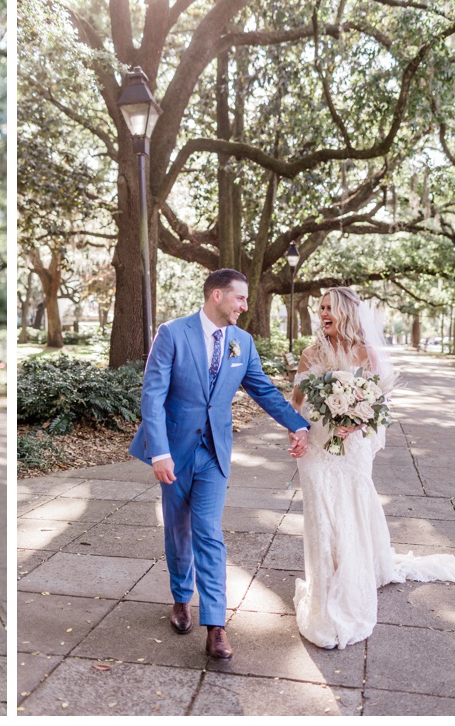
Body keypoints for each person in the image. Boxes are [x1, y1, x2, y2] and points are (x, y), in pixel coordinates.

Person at [128, 269, 311, 660]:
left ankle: (216, 626)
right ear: (216, 296)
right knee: (178, 531)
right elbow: (153, 394)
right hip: (174, 451)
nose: (245, 307)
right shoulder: (173, 333)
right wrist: (158, 452)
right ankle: (181, 598)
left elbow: (262, 389)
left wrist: (297, 424)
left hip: (214, 452)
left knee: (209, 532)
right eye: (240, 299)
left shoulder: (242, 343)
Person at [289, 288, 455, 649]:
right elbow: (296, 400)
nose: (323, 313)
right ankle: (324, 584)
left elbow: (381, 404)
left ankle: (351, 576)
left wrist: (357, 420)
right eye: (320, 307)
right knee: (321, 513)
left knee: (350, 509)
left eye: (330, 308)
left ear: (347, 313)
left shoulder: (366, 354)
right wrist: (299, 431)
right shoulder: (310, 354)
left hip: (352, 447)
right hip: (319, 446)